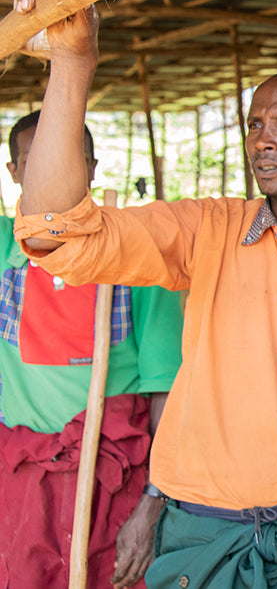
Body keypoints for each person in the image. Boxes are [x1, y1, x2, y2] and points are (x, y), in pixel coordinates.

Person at [12, 0, 277, 588]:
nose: (264, 142)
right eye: (256, 125)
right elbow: (56, 235)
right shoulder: (208, 229)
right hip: (203, 526)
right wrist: (74, 64)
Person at [0, 112, 185, 588]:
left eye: (70, 162)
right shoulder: (5, 251)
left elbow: (167, 389)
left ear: (93, 167)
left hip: (113, 481)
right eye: (38, 164)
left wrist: (153, 500)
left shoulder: (135, 257)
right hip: (21, 481)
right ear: (15, 172)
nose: (54, 179)